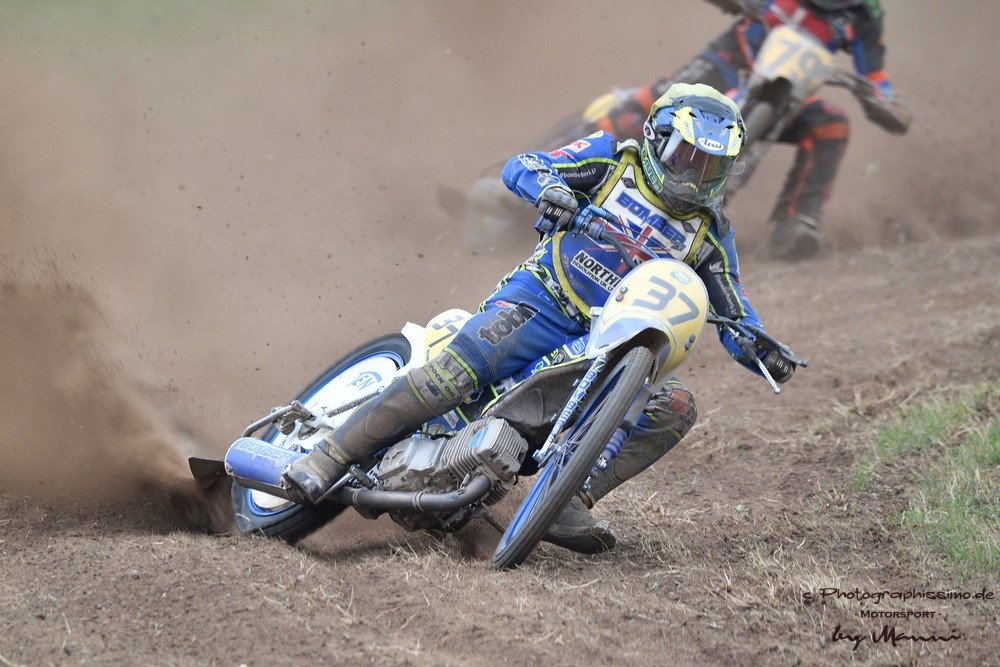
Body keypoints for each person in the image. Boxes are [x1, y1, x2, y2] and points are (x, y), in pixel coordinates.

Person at [284, 83, 795, 554]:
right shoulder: (612, 160)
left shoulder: (711, 234)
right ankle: (330, 455)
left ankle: (569, 497)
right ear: (657, 140)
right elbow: (523, 165)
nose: (695, 176)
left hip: (607, 346)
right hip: (542, 300)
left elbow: (735, 312)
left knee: (675, 405)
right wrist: (552, 192)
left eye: (711, 166)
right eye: (687, 157)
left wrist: (762, 349)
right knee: (455, 375)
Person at [580, 0, 911, 260]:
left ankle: (796, 223)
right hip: (728, 62)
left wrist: (885, 101)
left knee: (832, 123)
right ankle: (575, 153)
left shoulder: (865, 14)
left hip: (788, 95)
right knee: (653, 102)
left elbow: (876, 76)